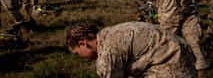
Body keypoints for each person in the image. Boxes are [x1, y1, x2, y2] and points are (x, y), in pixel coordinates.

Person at [67, 21, 197, 78]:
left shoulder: (107, 55)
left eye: (78, 53)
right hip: (182, 52)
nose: (81, 57)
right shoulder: (109, 34)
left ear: (83, 43)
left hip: (173, 64)